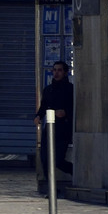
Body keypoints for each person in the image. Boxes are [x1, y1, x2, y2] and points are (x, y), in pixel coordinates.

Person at [36, 61, 74, 189]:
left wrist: (65, 113)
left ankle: (74, 170)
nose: (56, 73)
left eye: (59, 70)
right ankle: (50, 188)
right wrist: (38, 116)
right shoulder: (48, 90)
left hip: (63, 129)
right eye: (54, 70)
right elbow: (43, 106)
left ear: (65, 72)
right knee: (45, 159)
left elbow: (74, 108)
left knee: (57, 160)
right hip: (50, 128)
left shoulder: (70, 89)